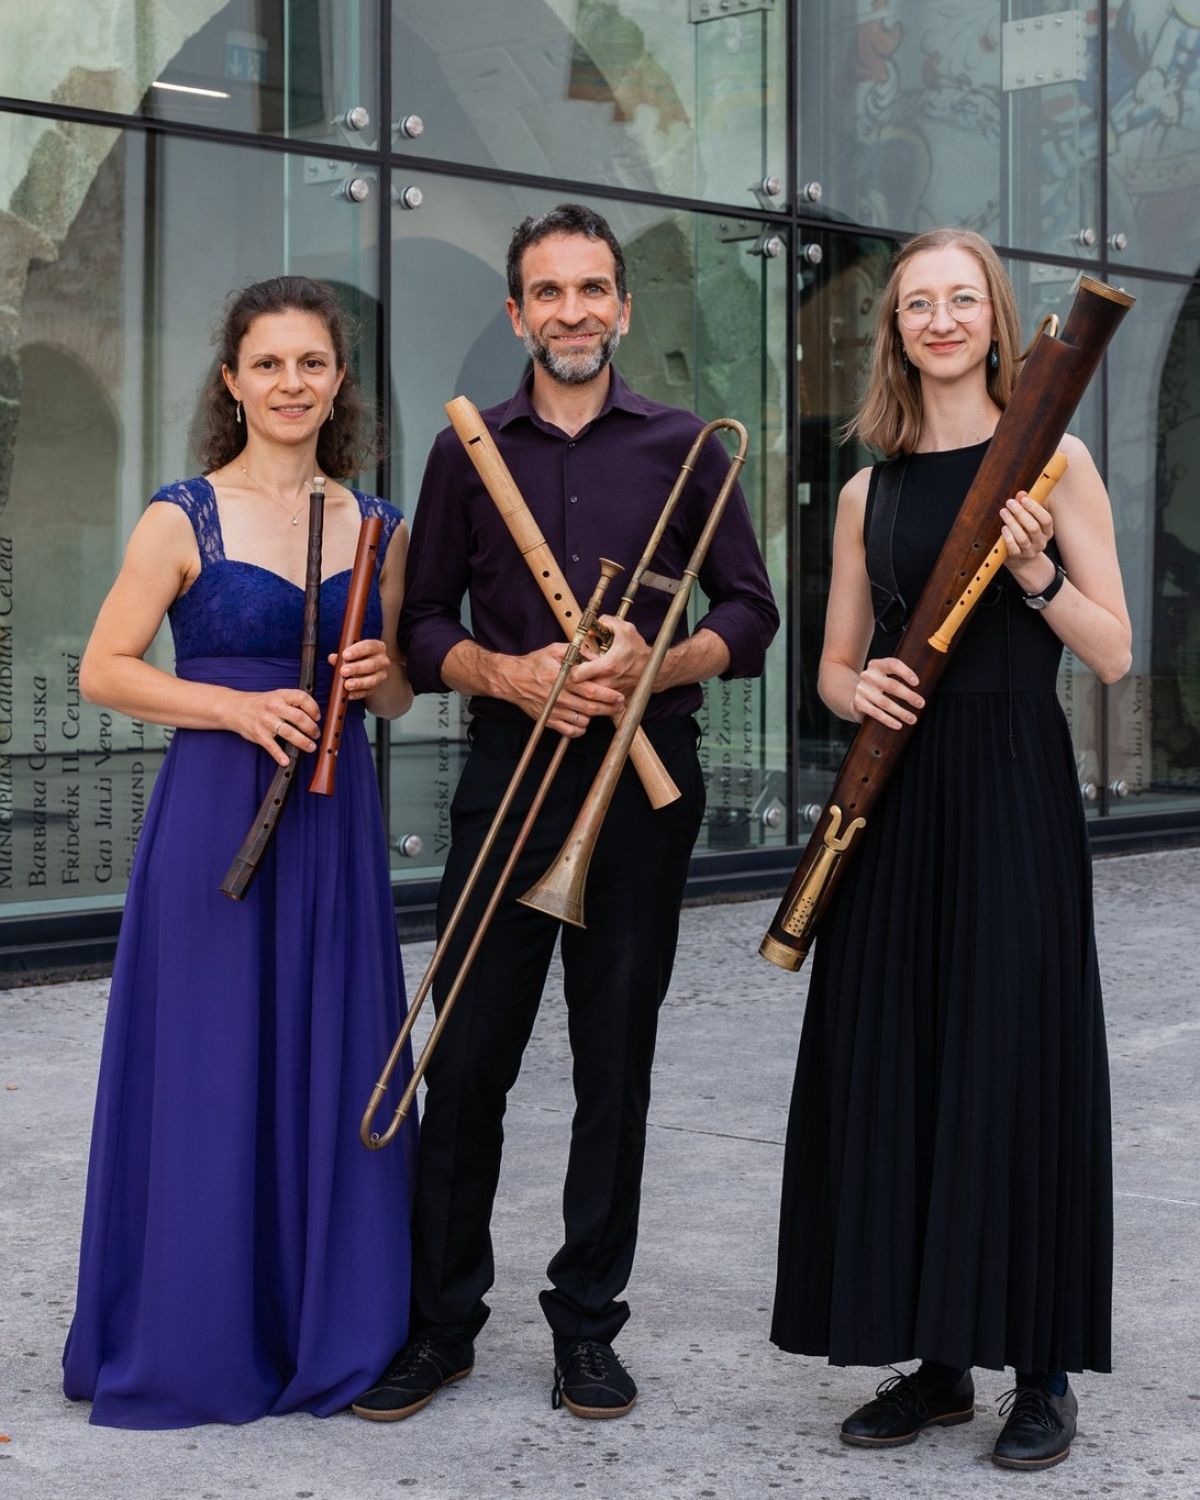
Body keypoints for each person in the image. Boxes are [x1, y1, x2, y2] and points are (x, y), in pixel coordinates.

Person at [351, 203, 778, 1423]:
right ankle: (441, 1326)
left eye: (593, 289)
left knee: (614, 1066)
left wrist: (655, 661)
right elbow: (422, 628)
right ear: (517, 312)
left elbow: (750, 613)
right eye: (549, 292)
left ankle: (588, 1326)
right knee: (465, 1061)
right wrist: (507, 672)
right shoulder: (467, 452)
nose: (573, 311)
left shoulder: (689, 447)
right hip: (508, 773)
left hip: (641, 788)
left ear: (623, 309)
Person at [770, 229, 1131, 1470]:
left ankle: (1042, 1373)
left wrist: (1035, 574)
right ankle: (936, 1365)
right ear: (896, 330)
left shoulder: (1058, 458)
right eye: (917, 302)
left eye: (960, 300)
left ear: (995, 320)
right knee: (907, 1058)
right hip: (899, 800)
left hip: (1012, 783)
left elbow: (1113, 650)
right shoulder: (867, 492)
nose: (939, 319)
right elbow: (831, 666)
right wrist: (856, 689)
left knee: (1014, 1060)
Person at [63, 275, 417, 1428]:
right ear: (232, 380)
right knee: (211, 1065)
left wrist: (385, 678)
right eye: (268, 363)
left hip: (333, 824)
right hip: (215, 818)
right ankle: (199, 1332)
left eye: (311, 363)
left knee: (326, 1060)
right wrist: (234, 708)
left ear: (338, 381)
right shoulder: (182, 516)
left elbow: (396, 693)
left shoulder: (378, 525)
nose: (290, 383)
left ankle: (321, 1322)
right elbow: (104, 670)